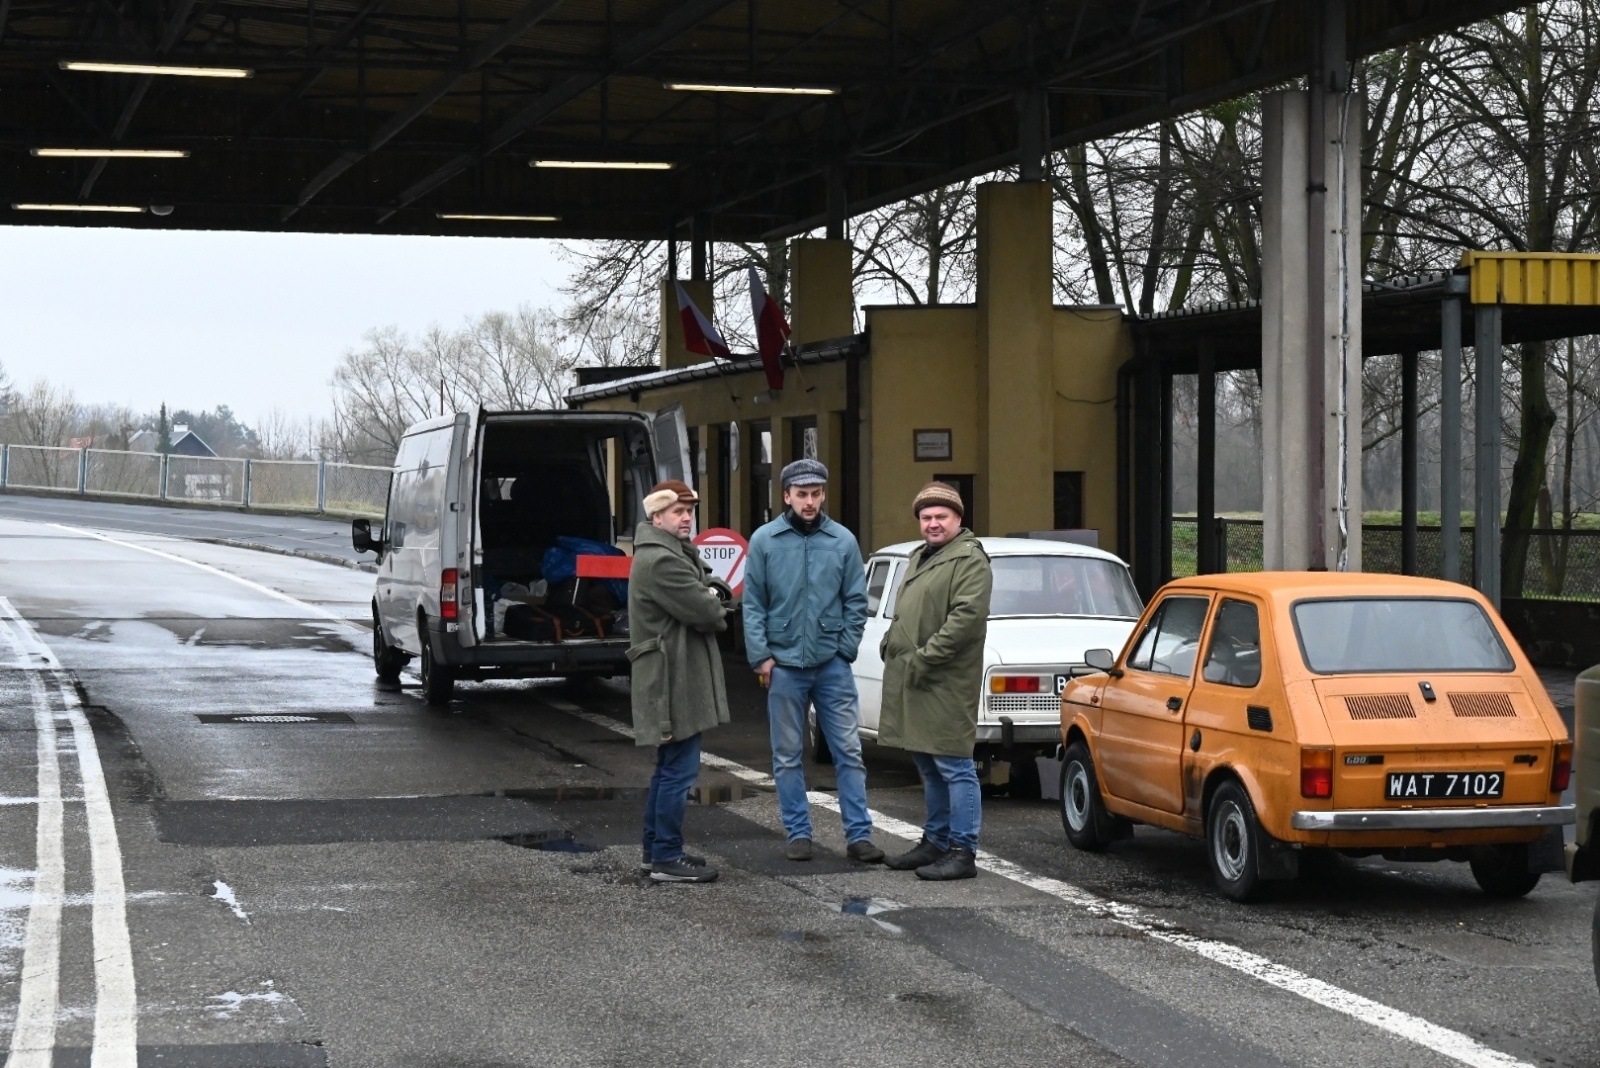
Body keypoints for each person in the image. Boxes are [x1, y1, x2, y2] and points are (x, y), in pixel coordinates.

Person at [744, 458, 883, 864]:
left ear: (824, 495)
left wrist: (845, 651)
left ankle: (859, 837)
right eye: (801, 494)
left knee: (848, 750)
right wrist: (762, 657)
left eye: (816, 494)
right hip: (783, 664)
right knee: (786, 755)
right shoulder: (765, 541)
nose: (809, 502)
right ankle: (798, 833)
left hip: (831, 664)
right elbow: (753, 604)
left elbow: (858, 602)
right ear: (786, 496)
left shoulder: (842, 541)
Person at [877, 482, 993, 881]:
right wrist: (890, 640)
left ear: (958, 519)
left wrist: (926, 659)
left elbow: (965, 619)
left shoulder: (969, 560)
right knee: (927, 762)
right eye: (926, 517)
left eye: (941, 516)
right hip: (917, 677)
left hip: (944, 680)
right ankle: (935, 841)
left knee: (955, 765)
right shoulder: (920, 556)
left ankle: (962, 851)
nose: (933, 523)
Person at [629, 479, 731, 884]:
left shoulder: (668, 554)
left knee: (669, 766)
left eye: (690, 510)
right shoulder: (662, 561)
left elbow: (710, 592)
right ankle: (666, 857)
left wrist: (709, 593)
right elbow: (707, 611)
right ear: (657, 516)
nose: (687, 517)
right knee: (679, 771)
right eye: (678, 511)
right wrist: (712, 599)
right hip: (673, 677)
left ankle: (655, 853)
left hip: (671, 672)